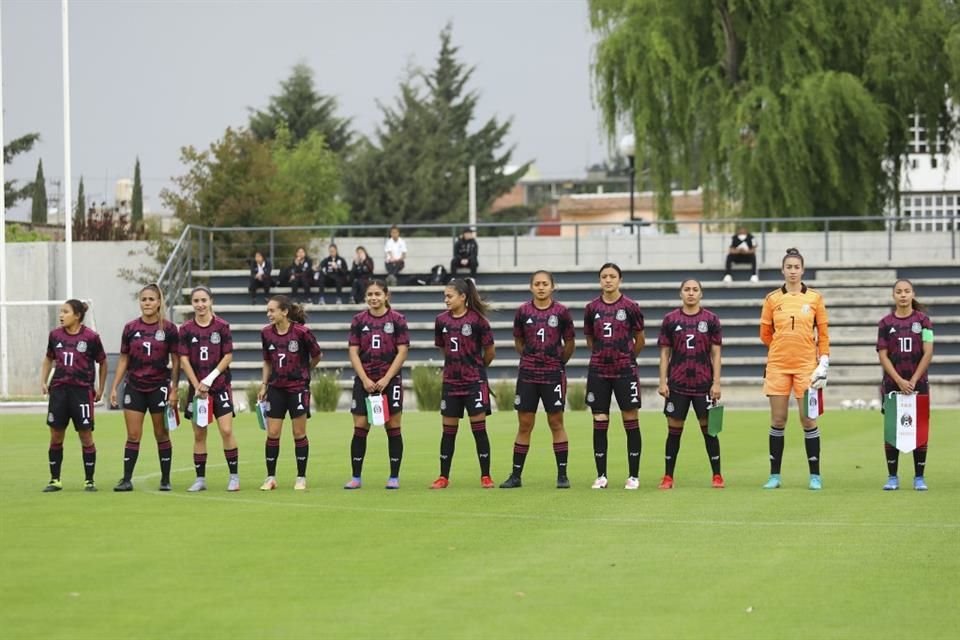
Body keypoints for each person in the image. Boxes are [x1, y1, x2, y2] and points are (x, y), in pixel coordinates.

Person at [760, 247, 830, 490]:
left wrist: (823, 360)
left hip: (806, 368)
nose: (792, 271)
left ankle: (815, 476)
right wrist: (782, 347)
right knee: (778, 420)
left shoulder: (814, 298)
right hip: (778, 366)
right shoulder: (771, 299)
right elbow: (765, 334)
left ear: (802, 270)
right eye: (788, 267)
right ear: (782, 270)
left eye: (796, 267)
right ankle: (775, 476)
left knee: (808, 420)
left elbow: (823, 333)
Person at [499, 270, 575, 489]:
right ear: (531, 287)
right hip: (528, 375)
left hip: (553, 374)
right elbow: (518, 342)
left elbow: (569, 343)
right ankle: (515, 476)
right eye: (537, 284)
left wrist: (558, 362)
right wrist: (531, 359)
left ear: (553, 287)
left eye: (545, 284)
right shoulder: (523, 311)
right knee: (524, 424)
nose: (541, 287)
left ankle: (562, 475)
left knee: (556, 422)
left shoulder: (561, 312)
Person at [109, 284, 180, 492]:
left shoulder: (168, 329)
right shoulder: (130, 328)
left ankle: (165, 479)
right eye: (143, 299)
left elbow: (176, 361)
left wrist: (174, 389)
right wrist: (114, 387)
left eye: (151, 299)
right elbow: (123, 359)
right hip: (134, 387)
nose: (147, 303)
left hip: (159, 387)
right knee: (133, 435)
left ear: (159, 302)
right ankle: (126, 479)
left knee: (161, 433)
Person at [656, 279, 724, 489]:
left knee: (710, 431)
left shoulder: (711, 319)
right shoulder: (670, 319)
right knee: (674, 431)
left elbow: (716, 353)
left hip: (704, 385)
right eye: (687, 290)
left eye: (695, 290)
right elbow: (665, 353)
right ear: (681, 293)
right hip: (677, 384)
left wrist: (716, 383)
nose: (691, 293)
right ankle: (668, 476)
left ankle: (717, 476)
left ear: (701, 294)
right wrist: (662, 382)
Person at [584, 263, 645, 489]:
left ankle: (633, 476)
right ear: (600, 280)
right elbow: (590, 339)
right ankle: (601, 476)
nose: (608, 280)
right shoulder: (591, 308)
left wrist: (627, 358)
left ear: (620, 279)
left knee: (630, 419)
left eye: (612, 276)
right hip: (599, 371)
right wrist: (602, 355)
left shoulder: (630, 307)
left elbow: (640, 339)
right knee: (600, 421)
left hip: (625, 371)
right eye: (604, 276)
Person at [344, 280, 410, 489]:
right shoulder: (358, 320)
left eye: (378, 294)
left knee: (393, 426)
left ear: (386, 296)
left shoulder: (398, 319)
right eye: (370, 294)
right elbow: (353, 351)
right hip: (364, 381)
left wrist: (386, 379)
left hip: (389, 382)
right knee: (361, 425)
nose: (373, 298)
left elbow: (402, 350)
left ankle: (394, 477)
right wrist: (364, 379)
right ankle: (356, 477)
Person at [431, 278, 496, 489]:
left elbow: (490, 352)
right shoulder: (441, 321)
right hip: (451, 382)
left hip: (474, 382)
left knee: (479, 429)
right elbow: (443, 348)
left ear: (463, 297)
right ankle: (443, 477)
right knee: (448, 431)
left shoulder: (478, 321)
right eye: (444, 297)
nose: (446, 300)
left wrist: (476, 368)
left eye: (449, 296)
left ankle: (486, 476)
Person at [39, 299, 108, 492]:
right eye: (61, 312)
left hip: (82, 392)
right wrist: (43, 381)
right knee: (55, 436)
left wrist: (100, 388)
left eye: (65, 312)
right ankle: (55, 480)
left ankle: (89, 480)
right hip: (59, 392)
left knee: (86, 436)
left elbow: (103, 362)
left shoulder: (91, 337)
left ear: (77, 315)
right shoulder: (55, 336)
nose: (61, 315)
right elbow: (48, 358)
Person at [257, 295, 322, 491]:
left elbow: (317, 355)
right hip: (276, 389)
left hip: (298, 389)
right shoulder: (266, 333)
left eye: (272, 310)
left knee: (298, 433)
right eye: (267, 311)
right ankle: (270, 478)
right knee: (273, 433)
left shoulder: (302, 332)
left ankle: (301, 477)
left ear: (284, 311)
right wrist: (264, 384)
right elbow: (268, 361)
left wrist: (305, 370)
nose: (268, 314)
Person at [178, 286, 239, 492]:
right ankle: (200, 479)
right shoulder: (185, 329)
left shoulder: (222, 326)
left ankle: (233, 477)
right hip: (197, 391)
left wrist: (209, 380)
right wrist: (197, 386)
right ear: (192, 303)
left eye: (204, 300)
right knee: (199, 434)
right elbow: (183, 359)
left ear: (211, 301)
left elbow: (228, 356)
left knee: (226, 430)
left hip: (219, 386)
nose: (200, 305)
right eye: (196, 301)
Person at [876, 279, 934, 491]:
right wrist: (899, 381)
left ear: (912, 294)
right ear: (893, 295)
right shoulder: (885, 323)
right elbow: (883, 355)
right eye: (899, 291)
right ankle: (892, 477)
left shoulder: (924, 321)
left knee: (919, 428)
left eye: (906, 291)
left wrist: (913, 380)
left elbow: (928, 352)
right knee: (892, 430)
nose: (903, 295)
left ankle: (919, 477)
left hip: (919, 384)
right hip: (893, 385)